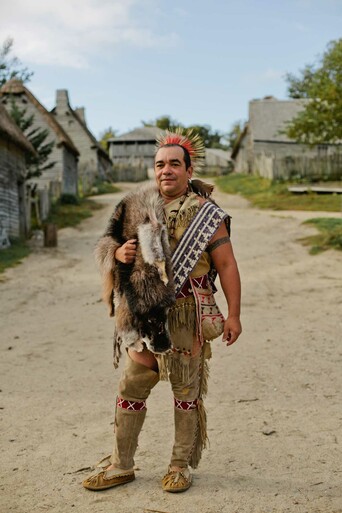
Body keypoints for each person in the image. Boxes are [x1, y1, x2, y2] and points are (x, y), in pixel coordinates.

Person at [83, 129, 242, 493]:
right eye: (160, 164)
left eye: (174, 163)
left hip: (187, 313)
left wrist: (234, 315)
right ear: (153, 170)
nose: (166, 170)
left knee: (186, 392)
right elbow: (110, 244)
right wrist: (118, 254)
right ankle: (121, 464)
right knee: (132, 384)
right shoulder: (136, 205)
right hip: (142, 315)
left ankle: (179, 465)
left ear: (188, 169)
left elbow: (228, 265)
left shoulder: (204, 214)